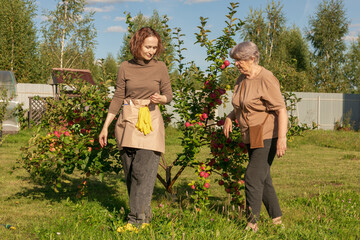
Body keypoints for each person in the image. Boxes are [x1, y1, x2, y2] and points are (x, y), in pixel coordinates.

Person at [99, 27, 172, 231]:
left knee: (143, 171)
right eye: (148, 46)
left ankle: (134, 221)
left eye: (154, 48)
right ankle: (144, 217)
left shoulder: (160, 67)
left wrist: (162, 99)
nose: (151, 51)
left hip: (150, 121)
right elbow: (118, 97)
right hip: (128, 122)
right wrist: (106, 127)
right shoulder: (124, 67)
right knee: (131, 172)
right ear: (137, 44)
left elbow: (169, 94)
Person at [223, 41, 288, 232]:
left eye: (239, 60)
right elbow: (241, 105)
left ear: (252, 58)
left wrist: (282, 138)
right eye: (234, 60)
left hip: (268, 133)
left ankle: (252, 224)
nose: (236, 64)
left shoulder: (266, 78)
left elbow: (281, 109)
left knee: (252, 176)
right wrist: (229, 117)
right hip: (252, 133)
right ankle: (277, 220)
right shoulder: (241, 79)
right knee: (263, 177)